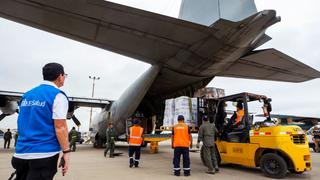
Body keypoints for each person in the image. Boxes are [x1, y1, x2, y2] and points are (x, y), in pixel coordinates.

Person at [12, 62, 71, 180]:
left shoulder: (27, 95)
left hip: (20, 154)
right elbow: (60, 127)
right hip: (44, 155)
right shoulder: (58, 96)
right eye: (65, 75)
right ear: (60, 76)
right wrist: (66, 151)